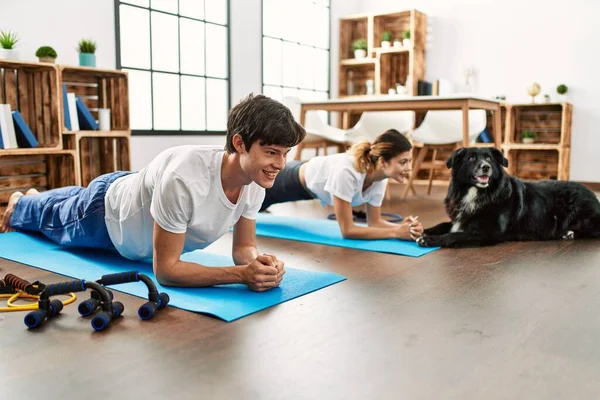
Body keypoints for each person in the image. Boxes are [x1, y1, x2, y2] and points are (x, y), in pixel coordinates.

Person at [1, 94, 306, 292]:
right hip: (105, 216)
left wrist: (259, 265)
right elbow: (167, 270)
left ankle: (37, 197)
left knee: (63, 202)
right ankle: (22, 201)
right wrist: (240, 276)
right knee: (44, 219)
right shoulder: (185, 178)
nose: (280, 165)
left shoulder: (254, 180)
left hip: (139, 197)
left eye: (284, 154)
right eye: (271, 153)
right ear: (239, 143)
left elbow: (243, 248)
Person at [260, 129, 423, 241]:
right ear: (382, 162)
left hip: (305, 186)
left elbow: (375, 222)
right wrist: (395, 232)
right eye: (403, 162)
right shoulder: (347, 171)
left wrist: (404, 228)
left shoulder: (379, 178)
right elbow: (348, 230)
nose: (409, 168)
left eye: (409, 161)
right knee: (248, 205)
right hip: (287, 180)